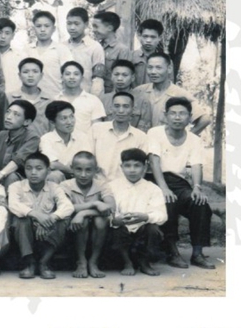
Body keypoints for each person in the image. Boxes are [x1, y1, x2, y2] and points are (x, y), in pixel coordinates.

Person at [148, 97, 216, 270]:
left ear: (190, 117)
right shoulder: (155, 133)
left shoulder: (194, 139)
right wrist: (163, 188)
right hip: (157, 181)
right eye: (173, 113)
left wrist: (197, 187)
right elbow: (154, 162)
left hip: (180, 183)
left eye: (182, 114)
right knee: (168, 203)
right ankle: (172, 251)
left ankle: (197, 253)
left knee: (200, 204)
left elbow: (196, 165)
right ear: (166, 115)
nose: (177, 118)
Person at [8, 152, 74, 279]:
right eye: (29, 168)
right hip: (26, 233)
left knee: (63, 219)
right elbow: (13, 205)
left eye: (39, 168)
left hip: (48, 233)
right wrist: (36, 215)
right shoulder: (16, 186)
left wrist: (51, 218)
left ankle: (44, 263)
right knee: (20, 219)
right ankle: (30, 263)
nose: (33, 172)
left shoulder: (55, 187)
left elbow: (68, 206)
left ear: (48, 171)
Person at [108, 148, 167, 276]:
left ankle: (144, 262)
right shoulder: (111, 187)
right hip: (121, 227)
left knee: (153, 229)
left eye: (137, 166)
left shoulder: (153, 189)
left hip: (142, 228)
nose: (132, 170)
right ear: (121, 167)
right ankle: (127, 262)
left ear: (145, 167)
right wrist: (115, 220)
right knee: (117, 230)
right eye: (127, 166)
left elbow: (162, 215)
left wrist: (146, 217)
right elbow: (108, 210)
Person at [60, 151, 115, 278]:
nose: (83, 175)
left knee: (100, 220)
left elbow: (111, 207)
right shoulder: (65, 185)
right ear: (72, 169)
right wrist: (94, 203)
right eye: (78, 169)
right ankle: (81, 261)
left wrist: (83, 213)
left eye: (88, 170)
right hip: (74, 227)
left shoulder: (101, 184)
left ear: (96, 170)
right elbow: (66, 207)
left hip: (98, 226)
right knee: (83, 221)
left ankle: (93, 261)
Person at [135, 52, 209, 134]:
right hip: (141, 141)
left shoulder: (180, 94)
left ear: (169, 69)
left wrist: (186, 138)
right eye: (150, 67)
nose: (153, 72)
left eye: (158, 68)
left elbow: (205, 120)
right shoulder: (139, 91)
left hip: (165, 141)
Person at [91, 92, 148, 182]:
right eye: (117, 106)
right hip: (96, 183)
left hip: (125, 186)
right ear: (111, 108)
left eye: (126, 106)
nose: (121, 110)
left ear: (133, 109)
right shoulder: (97, 129)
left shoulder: (141, 137)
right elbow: (87, 157)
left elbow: (140, 169)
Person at [39, 101, 94, 184]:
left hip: (80, 175)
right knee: (54, 175)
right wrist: (71, 171)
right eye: (64, 118)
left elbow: (88, 160)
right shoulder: (46, 139)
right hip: (62, 177)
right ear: (52, 122)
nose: (69, 122)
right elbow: (52, 164)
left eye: (71, 117)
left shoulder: (82, 136)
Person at [0, 100, 40, 188]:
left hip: (22, 183)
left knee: (11, 176)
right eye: (8, 112)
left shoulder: (33, 138)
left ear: (27, 122)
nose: (9, 117)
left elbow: (18, 160)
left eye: (16, 114)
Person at [26, 11, 73, 97]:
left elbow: (69, 75)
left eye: (47, 26)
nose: (42, 29)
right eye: (38, 26)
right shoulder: (27, 50)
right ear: (33, 28)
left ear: (53, 29)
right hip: (31, 99)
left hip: (55, 98)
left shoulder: (62, 50)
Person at [99, 60, 153, 132]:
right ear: (111, 76)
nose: (120, 78)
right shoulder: (103, 99)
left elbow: (144, 129)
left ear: (133, 77)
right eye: (116, 74)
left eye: (124, 75)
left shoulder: (142, 101)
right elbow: (99, 126)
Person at [56, 61, 106, 135]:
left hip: (87, 142)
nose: (72, 77)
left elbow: (98, 130)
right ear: (62, 78)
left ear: (82, 78)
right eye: (67, 74)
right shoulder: (55, 100)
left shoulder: (93, 101)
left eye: (76, 74)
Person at [7, 58, 53, 137]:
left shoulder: (49, 101)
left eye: (35, 72)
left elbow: (52, 129)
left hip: (42, 142)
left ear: (41, 75)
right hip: (16, 143)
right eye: (26, 72)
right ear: (19, 75)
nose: (30, 75)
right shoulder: (9, 98)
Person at [65, 7, 105, 95]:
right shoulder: (62, 46)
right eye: (69, 23)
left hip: (85, 96)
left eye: (76, 24)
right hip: (63, 97)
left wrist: (93, 99)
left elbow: (98, 79)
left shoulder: (94, 47)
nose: (72, 27)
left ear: (86, 24)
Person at [92, 11, 131, 94]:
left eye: (96, 26)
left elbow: (123, 76)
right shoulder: (94, 47)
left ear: (109, 28)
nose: (93, 30)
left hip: (110, 93)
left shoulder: (122, 50)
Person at [0, 17, 22, 95]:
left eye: (7, 33)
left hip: (16, 97)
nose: (3, 36)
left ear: (13, 35)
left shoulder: (21, 56)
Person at [132, 19, 165, 87]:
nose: (148, 40)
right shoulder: (130, 57)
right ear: (139, 36)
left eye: (153, 37)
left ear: (160, 38)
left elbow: (169, 84)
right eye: (145, 36)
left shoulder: (165, 60)